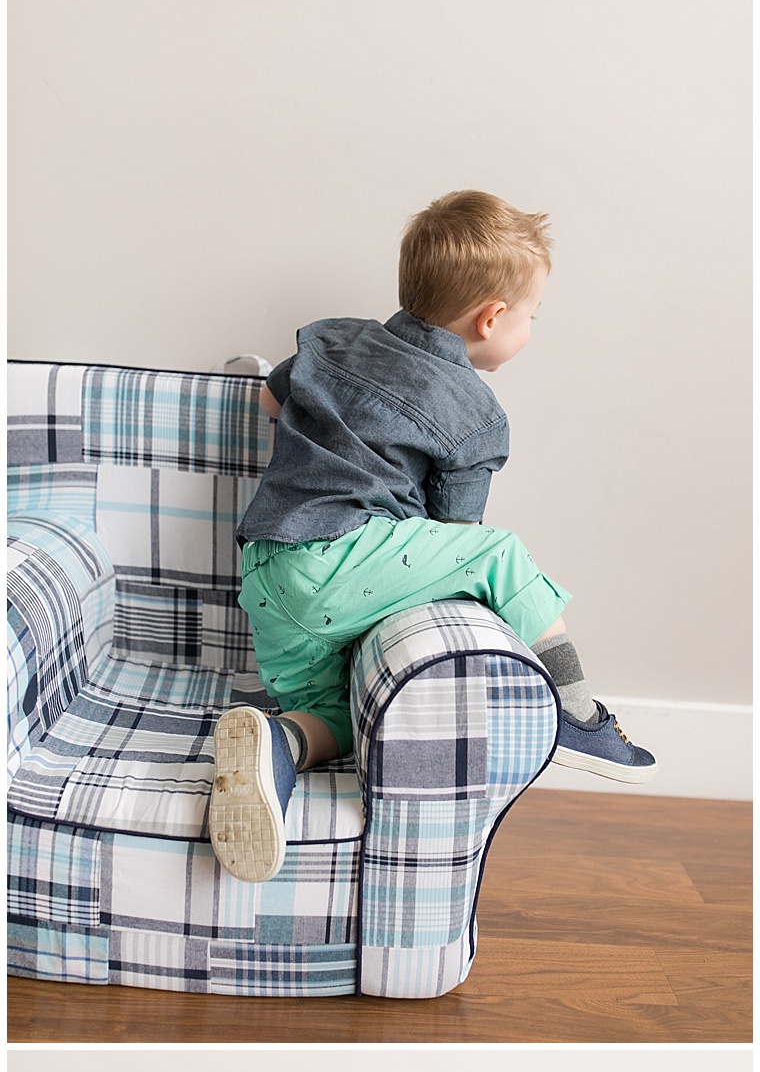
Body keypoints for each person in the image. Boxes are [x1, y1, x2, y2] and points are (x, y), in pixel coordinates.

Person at [209, 190, 655, 884]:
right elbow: (456, 535)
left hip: (266, 573)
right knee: (499, 556)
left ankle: (277, 742)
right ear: (492, 318)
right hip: (333, 562)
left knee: (338, 718)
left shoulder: (331, 338)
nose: (531, 328)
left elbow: (271, 398)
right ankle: (579, 713)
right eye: (533, 315)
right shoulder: (476, 414)